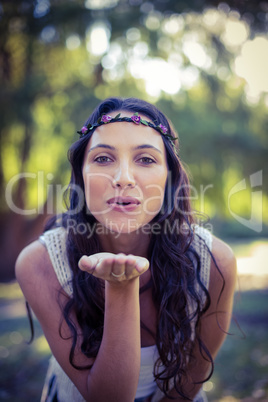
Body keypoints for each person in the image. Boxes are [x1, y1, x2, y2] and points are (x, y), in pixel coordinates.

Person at [15, 97, 236, 402]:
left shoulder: (215, 262)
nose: (123, 179)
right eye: (103, 158)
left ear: (169, 178)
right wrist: (121, 287)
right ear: (81, 175)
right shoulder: (40, 262)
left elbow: (188, 385)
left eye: (145, 159)